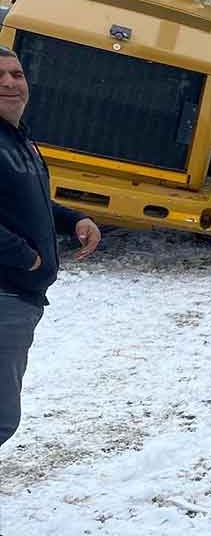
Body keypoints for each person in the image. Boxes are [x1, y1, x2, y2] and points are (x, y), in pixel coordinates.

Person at [0, 45, 101, 448]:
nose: (9, 82)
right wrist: (27, 258)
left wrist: (73, 218)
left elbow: (31, 200)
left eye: (17, 74)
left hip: (18, 297)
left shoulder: (17, 140)